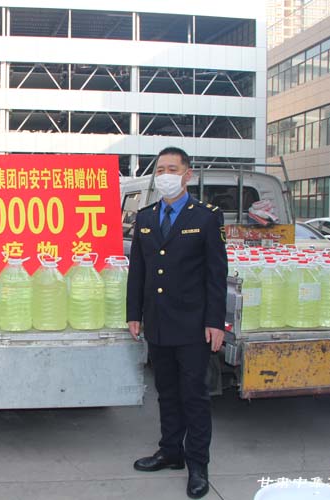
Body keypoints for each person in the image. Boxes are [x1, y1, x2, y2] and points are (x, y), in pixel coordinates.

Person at [126, 146, 227, 499]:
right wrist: (134, 313)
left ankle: (198, 463)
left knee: (194, 396)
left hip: (193, 324)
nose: (165, 175)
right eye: (160, 169)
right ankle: (170, 451)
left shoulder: (206, 217)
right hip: (157, 321)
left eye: (172, 169)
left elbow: (216, 275)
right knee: (166, 392)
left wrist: (215, 321)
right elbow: (138, 270)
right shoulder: (147, 217)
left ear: (187, 175)